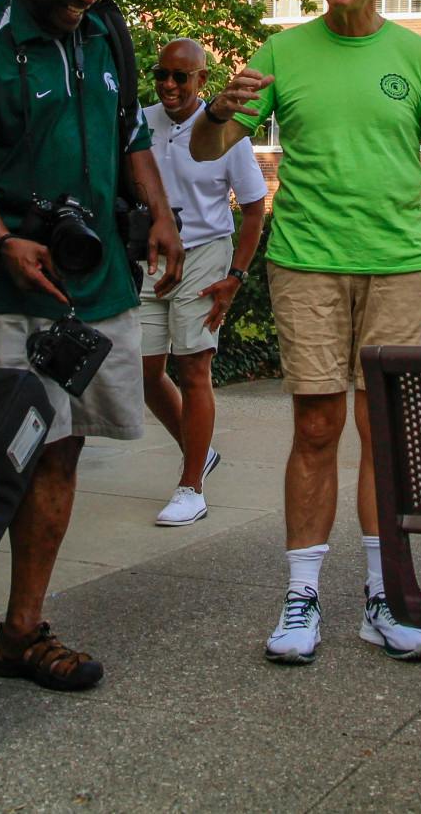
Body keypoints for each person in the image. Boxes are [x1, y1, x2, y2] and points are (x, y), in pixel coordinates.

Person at [191, 0, 421, 666]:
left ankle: (384, 598)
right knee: (318, 427)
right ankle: (301, 598)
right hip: (308, 261)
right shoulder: (284, 51)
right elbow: (207, 149)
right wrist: (219, 110)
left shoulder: (418, 58)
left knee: (383, 434)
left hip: (397, 262)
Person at [0, 0, 183, 691]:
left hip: (97, 281)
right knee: (6, 445)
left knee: (63, 445)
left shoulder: (104, 34)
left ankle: (22, 629)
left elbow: (132, 136)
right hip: (10, 280)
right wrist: (3, 238)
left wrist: (162, 214)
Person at [139, 38, 269, 527]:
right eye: (161, 74)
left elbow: (254, 210)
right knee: (142, 369)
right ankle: (201, 450)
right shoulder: (140, 123)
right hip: (150, 256)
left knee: (193, 368)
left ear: (202, 82)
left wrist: (235, 276)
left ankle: (191, 486)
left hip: (205, 254)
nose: (169, 85)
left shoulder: (223, 133)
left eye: (181, 77)